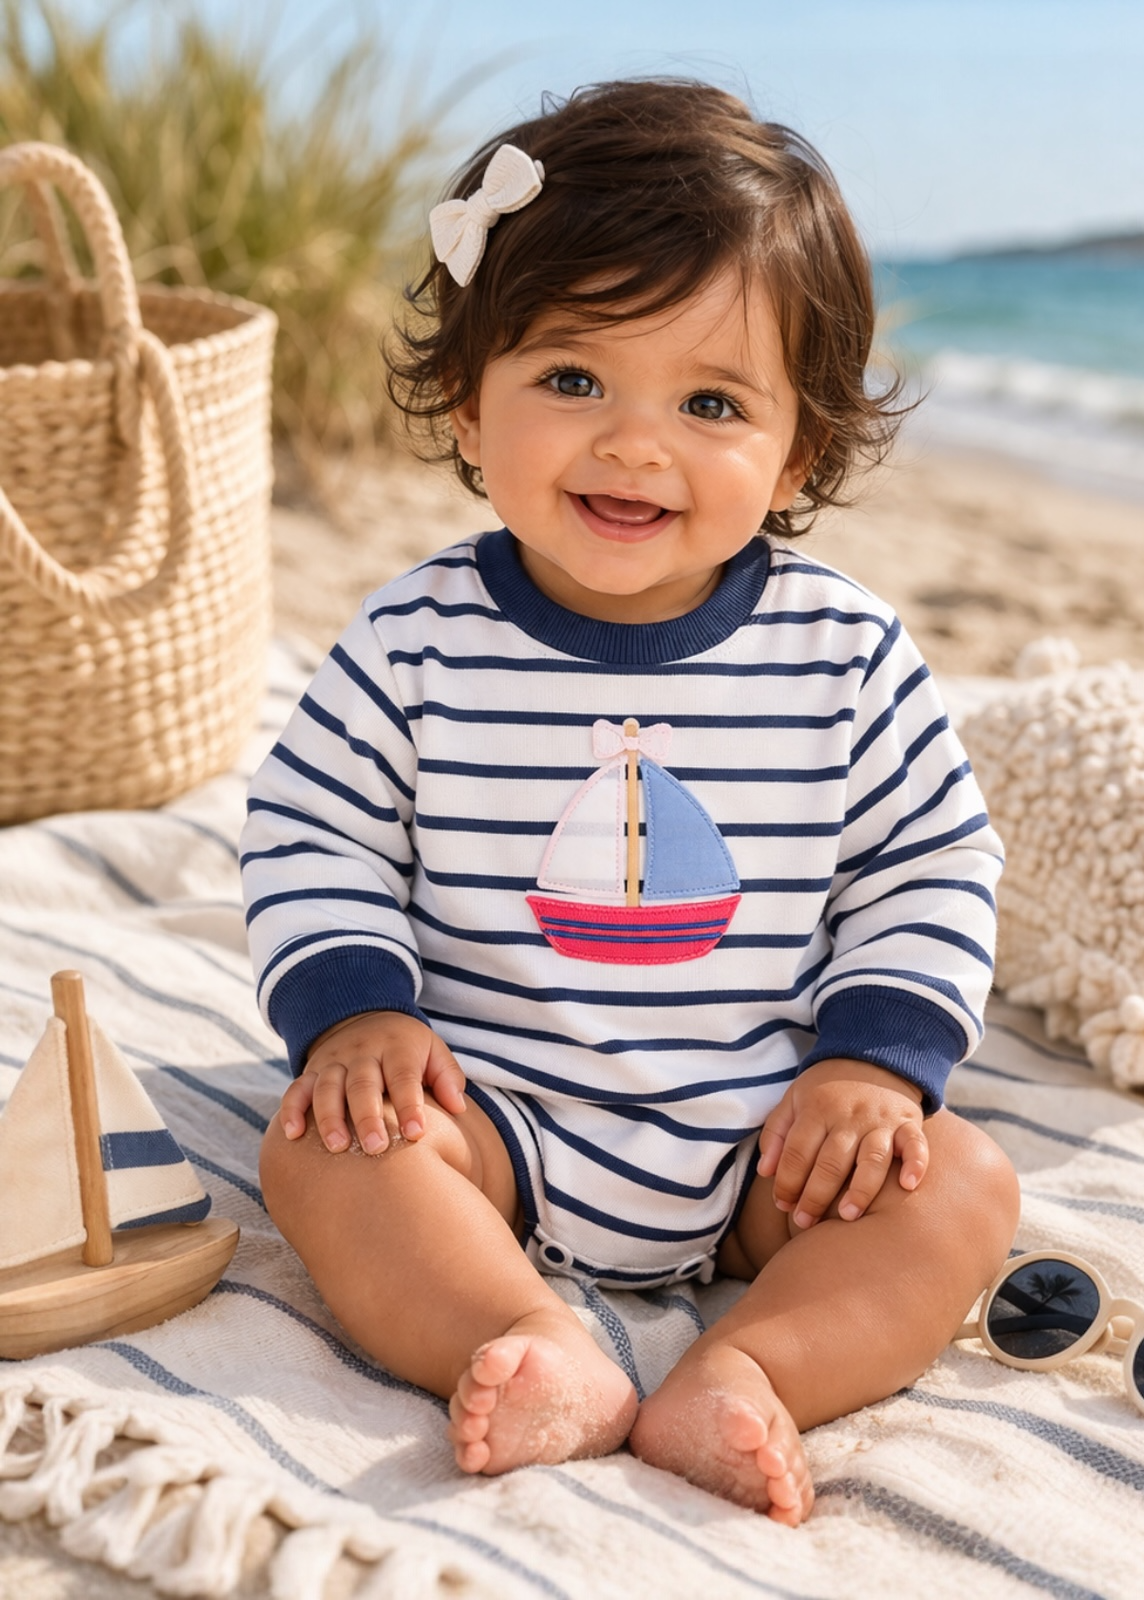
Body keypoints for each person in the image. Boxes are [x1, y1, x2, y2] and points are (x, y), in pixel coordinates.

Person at [244, 79, 1020, 1527]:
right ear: (469, 399)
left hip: (769, 1139)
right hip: (487, 1119)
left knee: (963, 1186)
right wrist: (356, 1017)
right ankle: (522, 1335)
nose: (634, 444)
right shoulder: (417, 640)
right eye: (572, 379)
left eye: (711, 404)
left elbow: (928, 865)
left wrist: (871, 1065)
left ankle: (750, 1368)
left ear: (796, 452)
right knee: (320, 1149)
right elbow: (312, 832)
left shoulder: (841, 653)